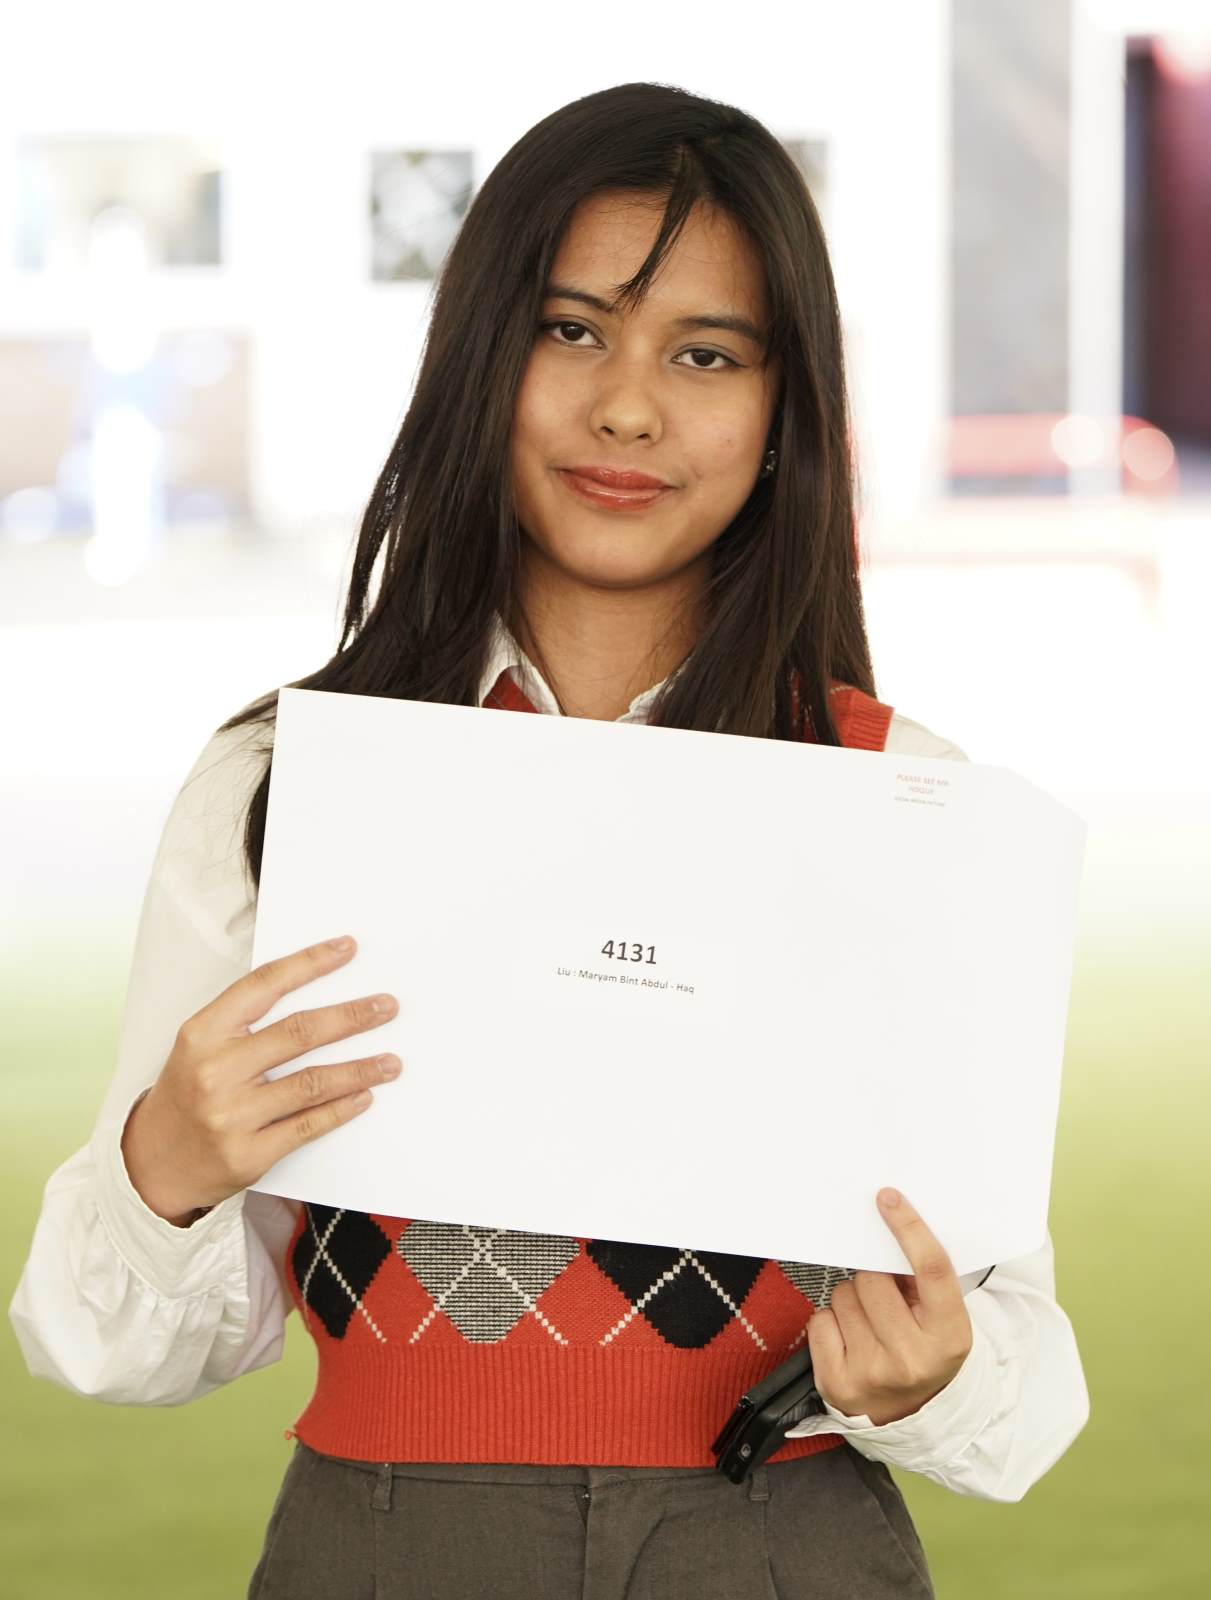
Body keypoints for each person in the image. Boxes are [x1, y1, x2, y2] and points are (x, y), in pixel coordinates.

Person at [9, 81, 1089, 1599]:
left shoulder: (901, 801)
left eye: (704, 354)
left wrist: (936, 1371)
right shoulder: (282, 783)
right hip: (376, 1548)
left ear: (786, 412)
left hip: (780, 1548)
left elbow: (1030, 1384)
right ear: (478, 355)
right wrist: (167, 1162)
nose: (628, 407)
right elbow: (94, 1333)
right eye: (573, 329)